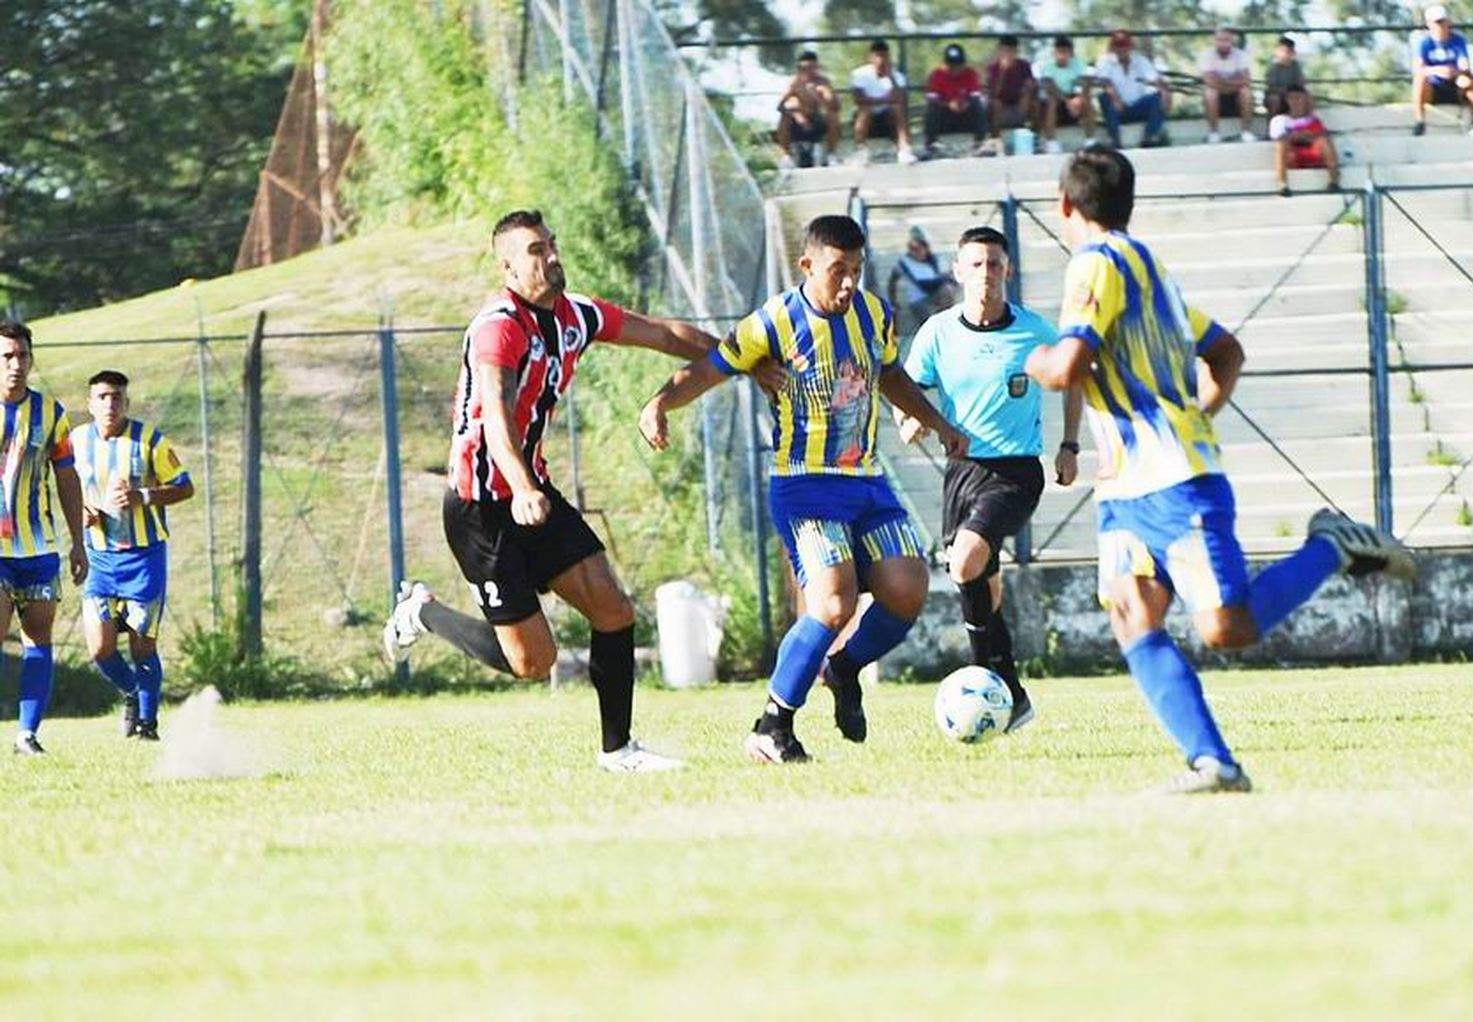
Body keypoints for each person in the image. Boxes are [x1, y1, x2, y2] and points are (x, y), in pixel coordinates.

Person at [1023, 148, 1416, 794]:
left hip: (1174, 476)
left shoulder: (1094, 263)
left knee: (1226, 627)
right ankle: (1214, 763)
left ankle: (1332, 548)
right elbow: (1226, 349)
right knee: (1132, 613)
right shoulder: (1151, 270)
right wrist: (1201, 409)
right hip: (1125, 485)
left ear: (1065, 206)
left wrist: (1033, 358)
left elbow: (1066, 366)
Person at [383, 210, 777, 773]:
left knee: (612, 609)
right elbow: (495, 414)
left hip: (531, 493)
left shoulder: (576, 316)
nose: (549, 257)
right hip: (481, 508)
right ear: (508, 269)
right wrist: (520, 486)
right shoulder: (498, 326)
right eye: (534, 251)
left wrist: (739, 360)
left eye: (550, 245)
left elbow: (663, 333)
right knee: (532, 662)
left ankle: (619, 751)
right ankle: (423, 613)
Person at [637, 215, 969, 764]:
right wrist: (659, 403)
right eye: (838, 271)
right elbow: (712, 366)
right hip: (803, 485)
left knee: (908, 589)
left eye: (857, 272)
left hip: (866, 480)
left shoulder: (876, 316)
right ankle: (773, 725)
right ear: (808, 265)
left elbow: (890, 377)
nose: (848, 284)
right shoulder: (773, 321)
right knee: (834, 602)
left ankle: (842, 669)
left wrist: (937, 423)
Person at [894, 226, 1083, 732]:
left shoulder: (1035, 332)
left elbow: (1073, 377)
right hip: (962, 471)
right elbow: (908, 394)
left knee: (965, 562)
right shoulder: (938, 332)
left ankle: (983, 675)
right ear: (957, 271)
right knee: (981, 585)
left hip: (1017, 470)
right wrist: (910, 421)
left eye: (994, 264)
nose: (986, 274)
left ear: (1008, 270)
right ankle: (1013, 693)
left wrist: (1069, 444)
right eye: (975, 265)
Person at [71, 371, 194, 741]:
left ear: (127, 402)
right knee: (100, 648)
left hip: (144, 557)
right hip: (100, 558)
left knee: (143, 644)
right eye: (103, 397)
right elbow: (60, 488)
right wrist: (80, 513)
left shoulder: (149, 440)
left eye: (117, 397)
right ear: (90, 403)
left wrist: (142, 497)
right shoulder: (76, 441)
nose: (110, 404)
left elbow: (185, 487)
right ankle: (131, 692)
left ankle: (148, 724)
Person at [0, 321, 87, 756]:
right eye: (7, 356)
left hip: (38, 549)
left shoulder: (51, 414)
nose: (16, 365)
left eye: (23, 356)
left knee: (38, 637)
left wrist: (79, 541)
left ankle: (26, 735)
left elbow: (67, 478)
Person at [1412, 5, 1473, 137]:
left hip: (1455, 86)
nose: (1441, 26)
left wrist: (1456, 72)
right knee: (1419, 80)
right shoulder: (1424, 43)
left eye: (1443, 21)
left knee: (1471, 80)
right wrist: (1437, 70)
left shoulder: (1458, 41)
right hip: (1433, 87)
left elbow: (1464, 65)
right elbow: (1419, 69)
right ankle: (1419, 122)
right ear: (1429, 24)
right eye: (1437, 22)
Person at [1095, 30, 1170, 149]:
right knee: (1104, 97)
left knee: (1157, 98)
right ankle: (1115, 140)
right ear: (1113, 47)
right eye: (1118, 45)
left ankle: (1149, 137)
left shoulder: (1140, 60)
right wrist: (1116, 98)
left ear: (1130, 46)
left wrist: (1165, 93)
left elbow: (1156, 79)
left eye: (1124, 45)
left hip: (1136, 105)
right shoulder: (1105, 61)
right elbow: (1104, 82)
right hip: (1116, 108)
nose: (1121, 49)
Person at [851, 39, 918, 165]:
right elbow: (859, 99)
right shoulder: (860, 74)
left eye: (884, 56)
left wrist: (891, 78)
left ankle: (904, 149)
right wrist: (884, 100)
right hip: (868, 116)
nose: (881, 60)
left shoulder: (898, 76)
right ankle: (861, 150)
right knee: (865, 110)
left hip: (888, 116)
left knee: (897, 109)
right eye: (878, 56)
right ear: (871, 57)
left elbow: (900, 99)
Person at [777, 50, 842, 168]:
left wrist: (821, 94)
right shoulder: (793, 82)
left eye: (813, 68)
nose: (809, 72)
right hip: (797, 120)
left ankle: (831, 154)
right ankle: (786, 156)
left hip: (816, 118)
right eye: (805, 68)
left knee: (833, 117)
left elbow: (836, 107)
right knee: (784, 117)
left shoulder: (823, 81)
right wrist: (796, 112)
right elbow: (780, 106)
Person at [1270, 86, 1339, 195]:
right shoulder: (1279, 120)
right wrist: (1299, 136)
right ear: (1286, 101)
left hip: (1313, 153)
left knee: (1325, 141)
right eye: (1291, 98)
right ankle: (1282, 183)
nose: (1295, 102)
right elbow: (1279, 137)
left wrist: (1306, 136)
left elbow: (1321, 135)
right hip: (1292, 156)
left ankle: (1334, 181)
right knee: (1281, 145)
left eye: (1299, 98)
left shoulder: (1313, 119)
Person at [886, 226, 958, 329]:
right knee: (929, 324)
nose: (916, 251)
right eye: (913, 248)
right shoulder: (905, 263)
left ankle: (948, 323)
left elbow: (952, 279)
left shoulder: (937, 260)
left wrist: (948, 281)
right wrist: (893, 301)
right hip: (918, 301)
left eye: (919, 247)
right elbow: (922, 284)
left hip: (937, 297)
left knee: (947, 290)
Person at [924, 43, 987, 156]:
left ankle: (980, 141)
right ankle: (931, 143)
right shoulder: (937, 75)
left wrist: (966, 105)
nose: (955, 69)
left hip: (965, 118)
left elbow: (975, 96)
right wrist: (948, 105)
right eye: (951, 65)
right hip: (946, 119)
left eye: (958, 65)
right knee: (932, 106)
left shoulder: (970, 74)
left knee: (977, 104)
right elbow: (932, 99)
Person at [1037, 34, 1095, 154]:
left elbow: (1085, 81)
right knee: (1051, 101)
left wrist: (1079, 98)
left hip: (1074, 101)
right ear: (1055, 52)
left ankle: (1090, 140)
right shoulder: (1048, 67)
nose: (1062, 55)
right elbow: (1049, 86)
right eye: (1060, 51)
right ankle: (1051, 141)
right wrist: (1068, 102)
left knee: (1087, 100)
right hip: (1057, 103)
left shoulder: (1077, 64)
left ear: (1071, 53)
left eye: (1066, 52)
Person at [1200, 27, 1255, 143]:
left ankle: (1246, 132)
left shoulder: (1241, 55)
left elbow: (1246, 80)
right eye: (1219, 40)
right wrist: (1234, 82)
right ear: (1214, 41)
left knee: (1247, 92)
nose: (1223, 43)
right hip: (1217, 96)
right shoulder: (1206, 55)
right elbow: (1208, 81)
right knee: (1210, 93)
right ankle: (1214, 133)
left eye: (1226, 40)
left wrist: (1223, 82)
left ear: (1232, 41)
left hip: (1236, 96)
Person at [985, 34, 1037, 150]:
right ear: (999, 51)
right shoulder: (993, 67)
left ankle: (1034, 138)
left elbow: (1032, 85)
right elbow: (994, 93)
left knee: (1033, 103)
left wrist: (1028, 87)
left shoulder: (1024, 65)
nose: (1008, 54)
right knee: (995, 104)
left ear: (1016, 51)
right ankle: (996, 140)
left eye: (1011, 50)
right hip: (1001, 108)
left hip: (1019, 106)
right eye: (1005, 50)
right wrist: (1003, 71)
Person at [1263, 35, 1306, 119]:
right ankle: (1272, 127)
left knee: (1305, 98)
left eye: (1290, 51)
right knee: (1274, 100)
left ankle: (1306, 125)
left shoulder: (1296, 65)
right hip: (1276, 95)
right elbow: (1271, 87)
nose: (1287, 54)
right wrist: (1287, 92)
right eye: (1285, 51)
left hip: (1293, 93)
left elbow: (1301, 83)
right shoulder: (1273, 66)